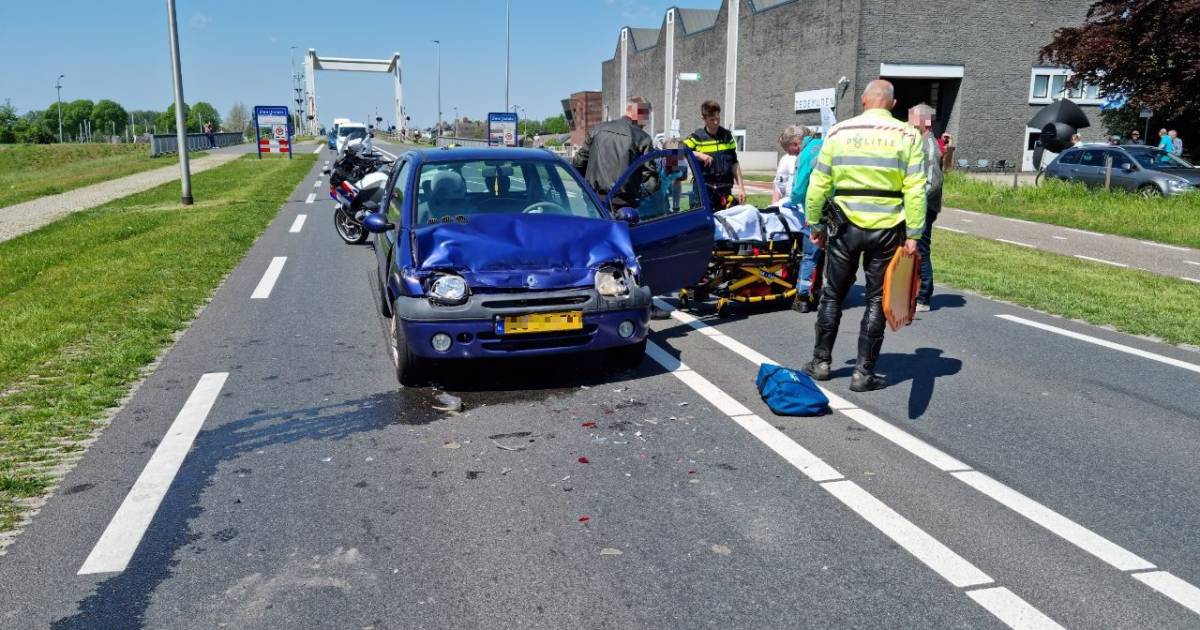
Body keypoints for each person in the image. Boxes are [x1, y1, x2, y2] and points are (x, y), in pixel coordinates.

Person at [802, 79, 926, 392]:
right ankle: (863, 373)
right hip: (887, 226)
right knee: (876, 299)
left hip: (844, 226)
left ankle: (821, 362)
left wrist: (815, 224)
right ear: (893, 105)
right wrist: (914, 233)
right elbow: (915, 188)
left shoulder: (839, 132)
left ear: (863, 101)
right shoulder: (908, 135)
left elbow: (819, 183)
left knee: (832, 294)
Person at [572, 97, 656, 209]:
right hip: (624, 204)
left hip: (594, 200)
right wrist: (638, 196)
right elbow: (651, 179)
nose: (647, 121)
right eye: (646, 115)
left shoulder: (597, 129)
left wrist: (587, 187)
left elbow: (579, 162)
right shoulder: (642, 138)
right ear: (633, 111)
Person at [908, 103, 943, 313]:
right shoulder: (918, 141)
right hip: (916, 204)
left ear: (924, 122)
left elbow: (933, 181)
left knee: (921, 249)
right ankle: (912, 292)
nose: (909, 123)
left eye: (912, 119)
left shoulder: (929, 145)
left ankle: (924, 297)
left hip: (923, 206)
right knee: (912, 249)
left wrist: (917, 200)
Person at [788, 129, 826, 313]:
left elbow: (800, 188)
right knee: (827, 255)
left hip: (817, 209)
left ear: (796, 143)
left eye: (790, 150)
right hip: (838, 208)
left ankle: (802, 298)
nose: (791, 154)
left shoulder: (806, 155)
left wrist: (792, 200)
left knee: (810, 256)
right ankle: (822, 293)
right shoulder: (825, 144)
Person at [684, 100, 746, 210]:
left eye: (718, 119)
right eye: (712, 120)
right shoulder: (697, 137)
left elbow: (734, 163)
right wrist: (699, 155)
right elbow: (679, 149)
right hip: (704, 192)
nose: (716, 122)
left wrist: (741, 188)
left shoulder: (727, 136)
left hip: (725, 191)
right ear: (704, 118)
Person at [772, 126, 807, 205]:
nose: (789, 153)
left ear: (795, 144)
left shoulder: (808, 156)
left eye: (787, 149)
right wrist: (773, 206)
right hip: (790, 203)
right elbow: (778, 186)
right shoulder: (786, 159)